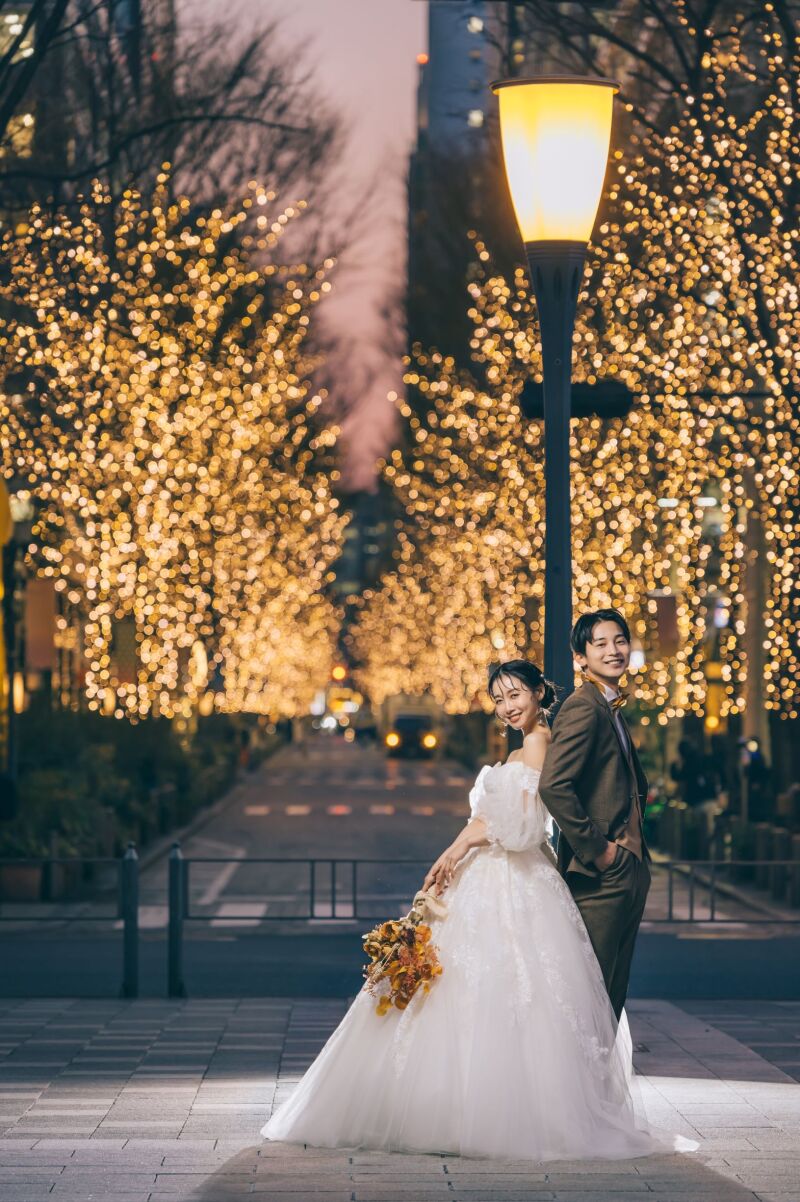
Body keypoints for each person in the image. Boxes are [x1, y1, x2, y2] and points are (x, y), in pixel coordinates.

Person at [262, 659, 695, 1160]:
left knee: (501, 991)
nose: (508, 707)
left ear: (540, 693)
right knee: (475, 989)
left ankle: (475, 1108)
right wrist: (454, 851)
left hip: (516, 878)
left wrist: (456, 849)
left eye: (516, 695)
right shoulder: (521, 745)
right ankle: (471, 1105)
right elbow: (492, 820)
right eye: (499, 699)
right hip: (491, 876)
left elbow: (521, 829)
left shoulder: (539, 743)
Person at [539, 608, 650, 1021]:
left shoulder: (610, 706)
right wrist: (599, 850)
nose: (613, 650)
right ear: (581, 657)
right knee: (592, 992)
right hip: (604, 872)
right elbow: (553, 784)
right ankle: (578, 1084)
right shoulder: (584, 706)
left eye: (619, 640)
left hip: (630, 867)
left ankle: (598, 1084)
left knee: (612, 993)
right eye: (600, 643)